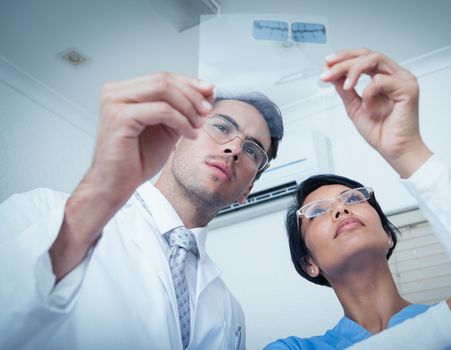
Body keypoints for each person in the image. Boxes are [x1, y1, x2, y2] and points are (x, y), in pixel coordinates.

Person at [0, 73, 284, 349]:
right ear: (178, 136)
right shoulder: (38, 212)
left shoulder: (231, 314)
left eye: (252, 150)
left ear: (246, 191)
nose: (234, 148)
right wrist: (100, 192)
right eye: (222, 127)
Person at [265, 49, 451, 349]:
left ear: (388, 235)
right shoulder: (292, 348)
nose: (340, 209)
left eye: (352, 198)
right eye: (318, 211)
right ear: (309, 263)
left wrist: (408, 152)